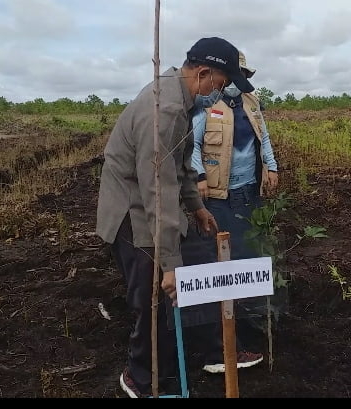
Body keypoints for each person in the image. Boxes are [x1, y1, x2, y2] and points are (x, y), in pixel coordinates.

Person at [96, 37, 254, 398]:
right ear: (203, 73)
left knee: (188, 273)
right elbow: (158, 193)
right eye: (221, 83)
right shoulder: (164, 111)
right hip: (134, 216)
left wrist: (197, 208)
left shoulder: (178, 100)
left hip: (149, 206)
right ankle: (141, 377)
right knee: (152, 298)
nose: (221, 93)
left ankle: (210, 351)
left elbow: (181, 169)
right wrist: (169, 263)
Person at [190, 51, 278, 374]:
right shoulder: (205, 106)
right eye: (233, 74)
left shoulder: (252, 103)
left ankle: (248, 324)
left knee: (247, 259)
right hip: (218, 200)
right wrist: (198, 177)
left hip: (247, 196)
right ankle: (219, 343)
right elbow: (193, 148)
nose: (237, 82)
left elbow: (264, 137)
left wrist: (272, 166)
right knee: (219, 266)